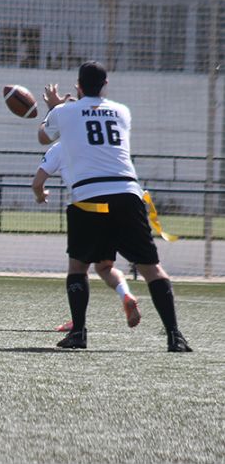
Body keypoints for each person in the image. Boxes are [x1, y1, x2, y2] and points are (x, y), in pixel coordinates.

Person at [38, 61, 191, 351]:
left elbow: (43, 136)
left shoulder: (64, 111)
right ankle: (175, 336)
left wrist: (54, 108)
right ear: (105, 85)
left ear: (78, 86)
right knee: (152, 269)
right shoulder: (122, 111)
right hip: (126, 192)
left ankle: (79, 333)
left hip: (90, 198)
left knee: (79, 266)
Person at [32, 142, 141, 331]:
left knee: (77, 270)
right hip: (115, 206)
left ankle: (78, 323)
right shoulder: (100, 145)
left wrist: (40, 196)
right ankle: (125, 295)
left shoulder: (60, 147)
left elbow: (37, 183)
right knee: (105, 267)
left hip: (85, 209)